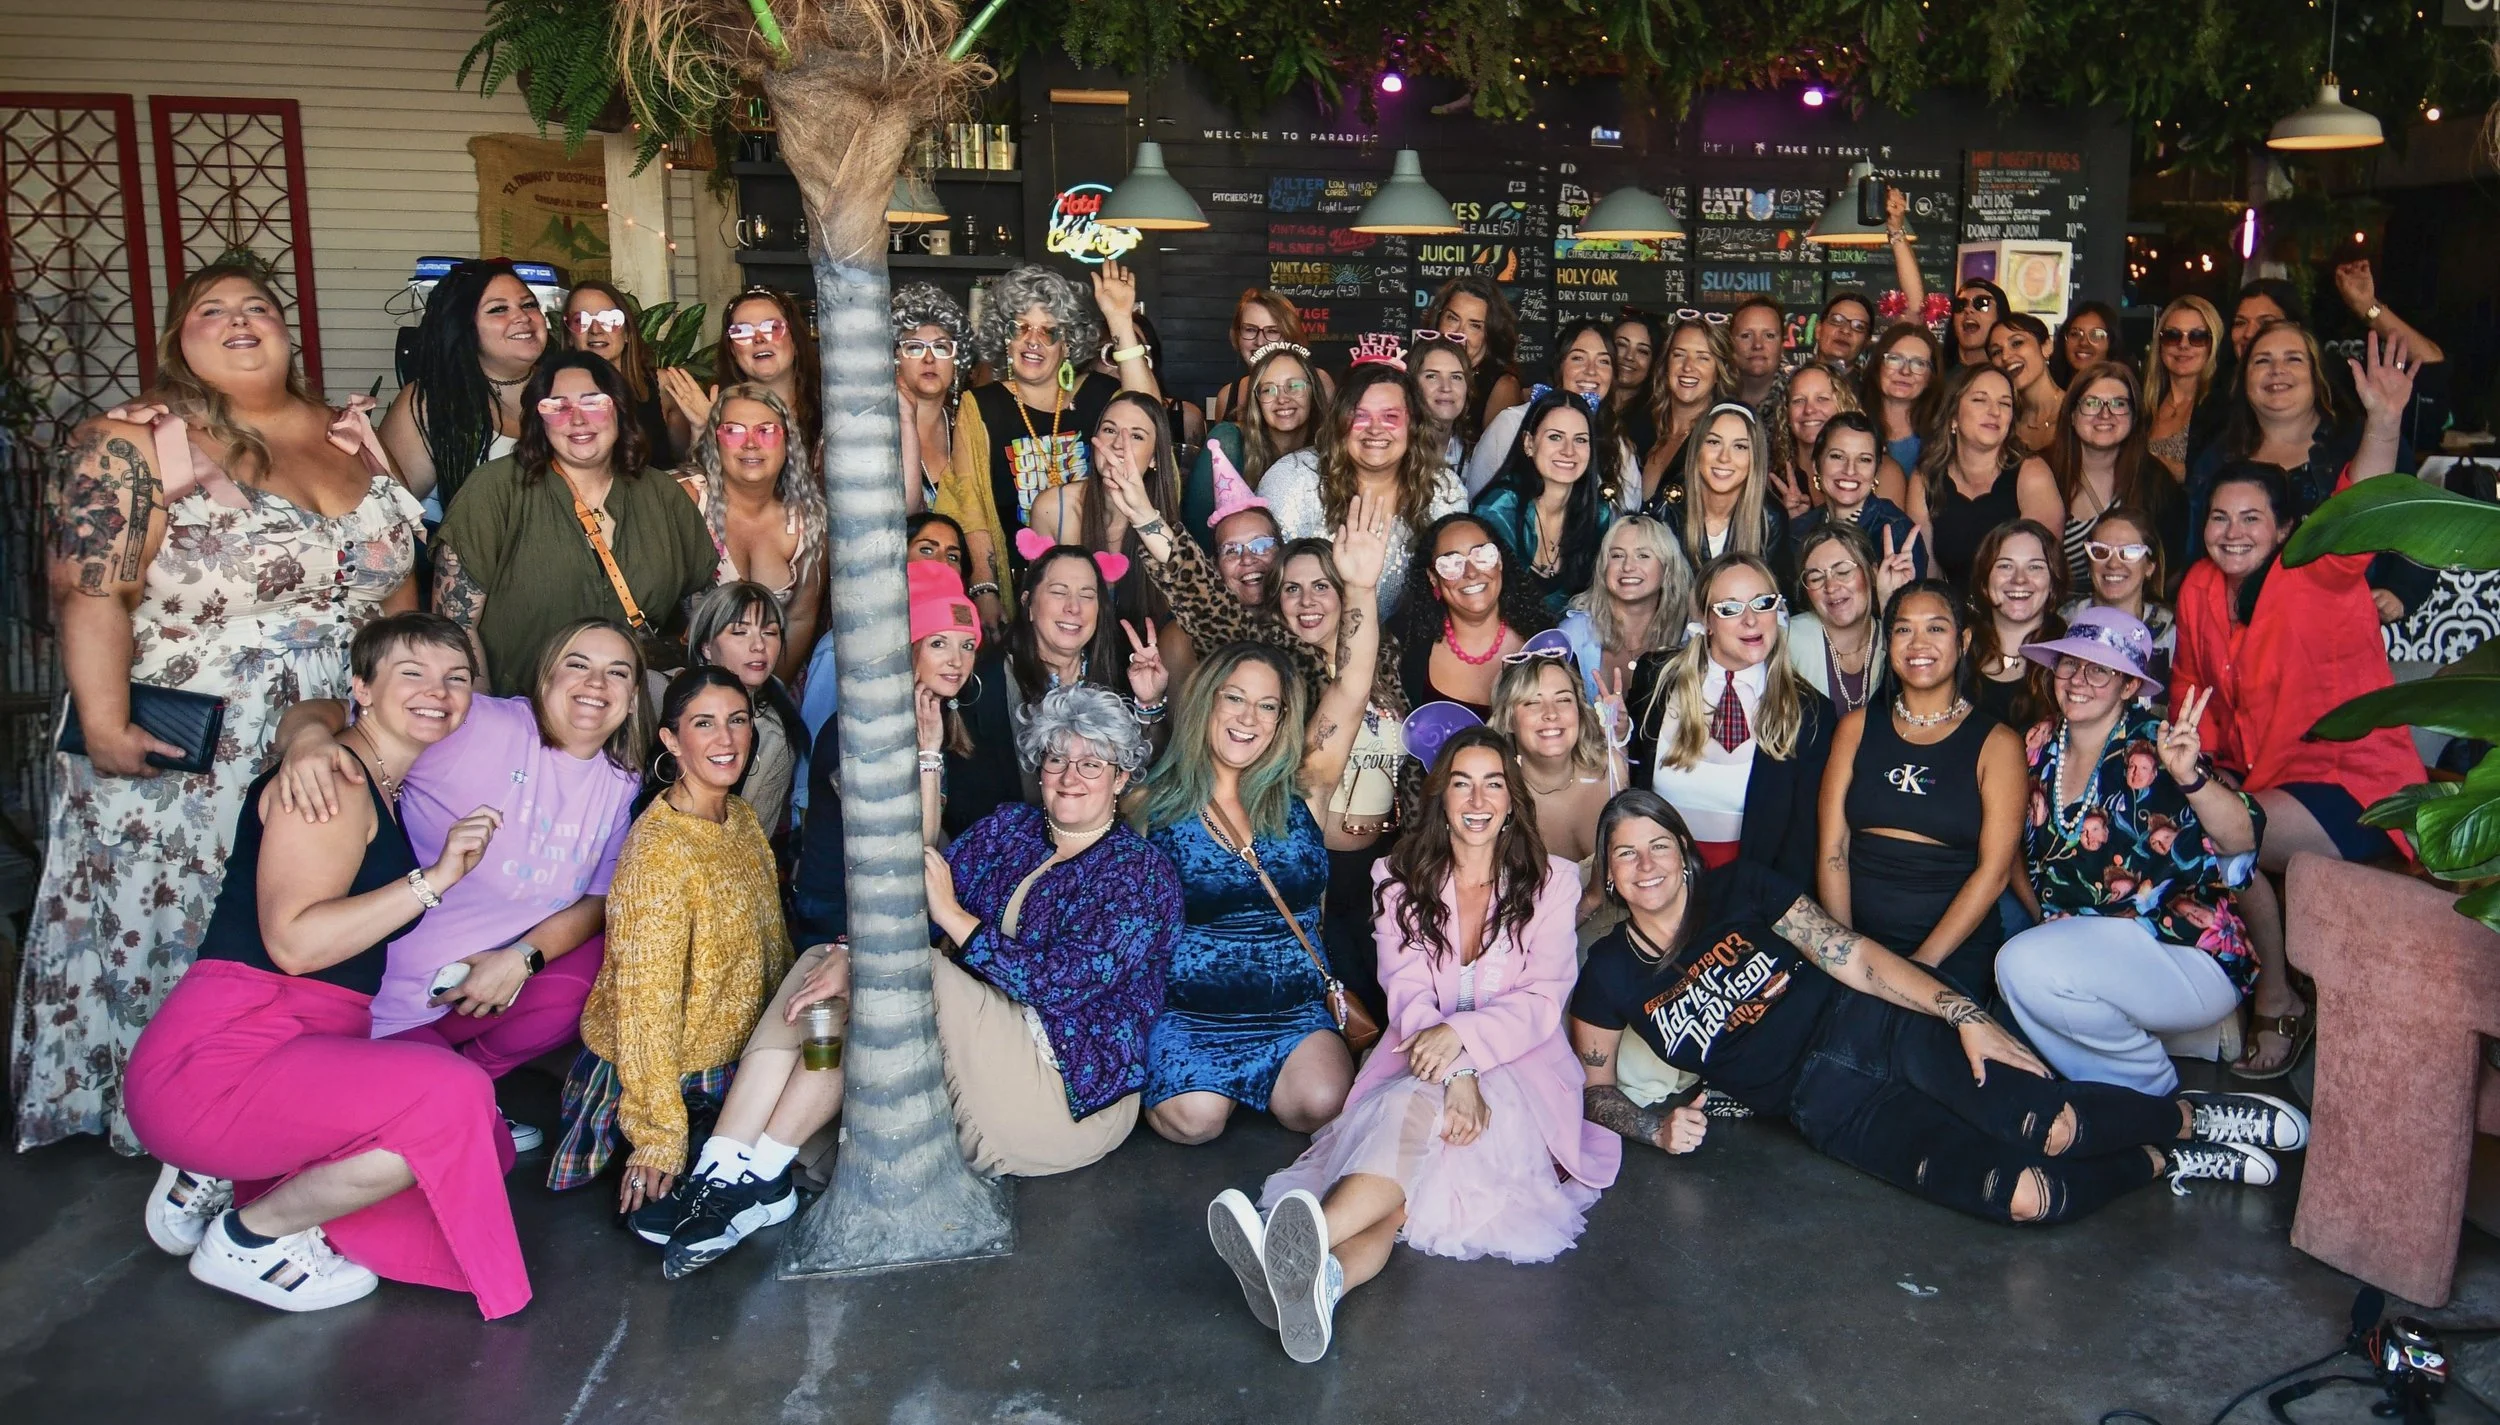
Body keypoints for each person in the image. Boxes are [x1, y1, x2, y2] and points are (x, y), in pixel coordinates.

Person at [16, 264, 423, 1153]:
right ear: (177, 339)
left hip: (340, 720)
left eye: (259, 309)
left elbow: (398, 584)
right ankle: (184, 1123)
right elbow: (90, 593)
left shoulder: (349, 434)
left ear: (287, 333)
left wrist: (410, 695)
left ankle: (293, 1099)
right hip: (198, 732)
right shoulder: (134, 443)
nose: (241, 322)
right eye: (213, 311)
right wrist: (106, 720)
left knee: (320, 915)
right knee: (201, 922)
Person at [1570, 791, 2307, 1228]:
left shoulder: (1743, 891)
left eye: (1659, 844)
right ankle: (2162, 1158)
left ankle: (2191, 1117)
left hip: (1877, 1027)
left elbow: (1852, 954)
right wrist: (1653, 1126)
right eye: (1627, 854)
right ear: (1609, 870)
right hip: (1822, 1107)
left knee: (2048, 1125)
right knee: (2026, 1197)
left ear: (1685, 853)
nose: (1647, 865)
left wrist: (1962, 1012)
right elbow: (1596, 1088)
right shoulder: (1607, 975)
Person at [125, 612, 526, 1317]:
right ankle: (250, 1237)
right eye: (414, 673)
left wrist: (305, 732)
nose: (439, 690)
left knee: (484, 1135)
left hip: (298, 1043)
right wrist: (433, 880)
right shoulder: (335, 781)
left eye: (456, 677)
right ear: (362, 691)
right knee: (451, 1097)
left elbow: (305, 716)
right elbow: (296, 945)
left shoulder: (360, 766)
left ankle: (225, 1164)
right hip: (222, 1055)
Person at [1212, 731, 1619, 1364]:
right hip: (1421, 1058)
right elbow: (1405, 994)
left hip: (1523, 1071)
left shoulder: (1553, 883)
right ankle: (1325, 1283)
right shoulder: (1396, 879)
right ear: (1442, 798)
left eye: (1493, 784)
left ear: (1512, 800)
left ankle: (1282, 1242)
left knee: (1405, 1127)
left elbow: (1544, 1001)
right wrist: (1455, 1068)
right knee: (1397, 1196)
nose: (1478, 799)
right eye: (1462, 782)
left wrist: (1463, 1047)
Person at [264, 618, 645, 1137]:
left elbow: (598, 899)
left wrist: (521, 957)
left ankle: (476, 1085)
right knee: (461, 1145)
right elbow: (338, 711)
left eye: (616, 672)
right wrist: (308, 740)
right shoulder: (480, 723)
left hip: (475, 984)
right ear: (546, 678)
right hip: (382, 993)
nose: (596, 684)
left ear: (634, 696)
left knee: (606, 965)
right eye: (577, 665)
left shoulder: (621, 782)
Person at [2174, 462, 2428, 1080]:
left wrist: (2384, 418)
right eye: (2220, 516)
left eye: (2252, 518)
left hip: (2354, 784)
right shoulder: (2199, 587)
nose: (2233, 532)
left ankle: (2278, 997)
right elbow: (2191, 682)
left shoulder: (2315, 570)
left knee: (2226, 830)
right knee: (2199, 812)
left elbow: (2357, 501)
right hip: (2266, 780)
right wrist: (2208, 766)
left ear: (2287, 529)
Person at [549, 668, 794, 1205]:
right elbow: (645, 1005)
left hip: (749, 1054)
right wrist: (659, 1137)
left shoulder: (742, 818)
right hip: (677, 1080)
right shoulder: (658, 852)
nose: (726, 740)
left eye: (737, 721)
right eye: (703, 724)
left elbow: (771, 947)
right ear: (671, 740)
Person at [1134, 631, 1388, 1144]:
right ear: (1207, 700)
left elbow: (1353, 687)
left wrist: (1362, 584)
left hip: (1292, 1012)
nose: (1249, 718)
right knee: (1194, 1121)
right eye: (1234, 698)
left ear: (1281, 721)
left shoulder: (1305, 788)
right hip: (1193, 1014)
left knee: (1323, 1102)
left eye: (1267, 706)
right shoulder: (1150, 804)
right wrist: (1149, 709)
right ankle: (1212, 1091)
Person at [1999, 610, 2266, 1094]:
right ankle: (2125, 1098)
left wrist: (2190, 777)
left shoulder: (2156, 746)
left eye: (2099, 669)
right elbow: (2012, 847)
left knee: (2022, 965)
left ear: (2127, 687)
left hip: (2184, 952)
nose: (2078, 680)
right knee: (2018, 965)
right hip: (2086, 951)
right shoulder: (2037, 744)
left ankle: (2149, 1090)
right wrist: (2044, 916)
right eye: (2069, 664)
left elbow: (2241, 842)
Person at [921, 685, 1184, 1174]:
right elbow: (922, 885)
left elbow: (1060, 982)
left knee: (912, 969)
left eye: (1092, 765)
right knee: (828, 966)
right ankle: (748, 1159)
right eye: (1056, 760)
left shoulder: (1140, 874)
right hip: (982, 1047)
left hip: (1068, 1093)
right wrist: (849, 956)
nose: (1070, 777)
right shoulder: (1007, 829)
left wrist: (954, 918)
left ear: (1121, 777)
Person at [433, 350, 716, 696]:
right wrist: (487, 722)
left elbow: (708, 614)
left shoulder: (663, 495)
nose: (578, 419)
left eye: (593, 402)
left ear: (619, 409)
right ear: (539, 419)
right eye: (557, 407)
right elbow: (455, 627)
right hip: (524, 723)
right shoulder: (493, 490)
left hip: (638, 721)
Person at [1818, 581, 2027, 999]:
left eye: (1936, 628)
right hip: (1859, 940)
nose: (1918, 643)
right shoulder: (1855, 729)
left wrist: (1919, 967)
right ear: (1888, 642)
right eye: (1902, 629)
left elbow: (1995, 871)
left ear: (1963, 641)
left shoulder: (1998, 744)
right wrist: (1846, 952)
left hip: (1949, 950)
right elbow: (1832, 850)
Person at [793, 560, 1010, 942]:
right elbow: (911, 848)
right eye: (938, 643)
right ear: (907, 649)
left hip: (897, 907)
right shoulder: (861, 726)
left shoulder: (938, 718)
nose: (956, 661)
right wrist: (927, 754)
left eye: (967, 645)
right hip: (838, 915)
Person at [939, 262, 1159, 618]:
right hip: (1019, 591)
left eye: (1049, 332)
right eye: (1021, 327)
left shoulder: (1101, 394)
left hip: (1104, 590)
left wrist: (1120, 321)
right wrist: (984, 587)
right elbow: (970, 506)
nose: (1033, 341)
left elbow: (1151, 418)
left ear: (1067, 345)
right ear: (1004, 336)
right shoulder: (980, 405)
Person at [2187, 326, 2431, 624]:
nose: (2277, 370)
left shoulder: (2365, 440)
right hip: (2238, 630)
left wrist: (2400, 591)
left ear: (2317, 376)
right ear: (2243, 379)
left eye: (2294, 359)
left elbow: (2417, 524)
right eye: (2262, 360)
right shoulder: (2216, 457)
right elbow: (2195, 552)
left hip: (2339, 626)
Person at [1627, 553, 1833, 883]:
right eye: (1730, 608)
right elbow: (1630, 788)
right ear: (1706, 621)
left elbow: (1801, 845)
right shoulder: (1656, 678)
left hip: (1751, 896)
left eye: (1762, 603)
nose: (1750, 620)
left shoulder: (1811, 711)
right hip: (1656, 885)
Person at [1263, 361, 1467, 617]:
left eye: (1390, 416)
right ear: (1340, 422)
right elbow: (1263, 589)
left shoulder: (1444, 492)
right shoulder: (1292, 480)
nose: (1374, 428)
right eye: (1360, 416)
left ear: (1413, 424)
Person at [674, 384, 826, 681]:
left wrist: (764, 697)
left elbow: (799, 619)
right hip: (683, 684)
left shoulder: (808, 522)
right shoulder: (688, 498)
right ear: (715, 442)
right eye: (733, 431)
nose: (751, 443)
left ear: (788, 443)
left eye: (766, 431)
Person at [380, 257, 547, 521]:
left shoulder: (566, 386)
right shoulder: (429, 402)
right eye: (498, 309)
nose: (522, 317)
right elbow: (391, 516)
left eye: (528, 304)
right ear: (464, 326)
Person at [797, 510, 968, 742]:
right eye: (926, 550)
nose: (941, 564)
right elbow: (813, 750)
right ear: (896, 557)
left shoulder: (962, 648)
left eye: (953, 556)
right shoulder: (842, 648)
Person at [1906, 364, 2062, 592]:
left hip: (2019, 608)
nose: (1995, 411)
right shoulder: (1925, 479)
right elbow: (1928, 574)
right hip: (1952, 614)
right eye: (1980, 400)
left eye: (2005, 403)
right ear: (1953, 416)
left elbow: (2038, 572)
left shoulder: (2031, 473)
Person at [667, 582, 806, 836]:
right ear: (706, 647)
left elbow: (754, 843)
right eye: (740, 632)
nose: (758, 646)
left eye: (770, 633)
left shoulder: (776, 737)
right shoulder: (657, 693)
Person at [1470, 389, 1617, 615]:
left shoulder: (1598, 514)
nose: (1568, 451)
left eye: (1580, 440)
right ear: (1529, 443)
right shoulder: (1498, 509)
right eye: (1555, 437)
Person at [1464, 318, 1638, 505]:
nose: (1591, 371)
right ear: (1559, 366)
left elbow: (1628, 513)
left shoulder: (1616, 441)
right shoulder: (1512, 424)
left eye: (1603, 361)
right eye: (1578, 358)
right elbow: (1477, 501)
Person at [2044, 362, 2183, 587]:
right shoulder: (2042, 472)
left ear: (2134, 416)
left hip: (2131, 615)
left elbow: (2168, 570)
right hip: (2055, 615)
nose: (2104, 414)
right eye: (2091, 403)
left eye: (2118, 404)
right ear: (2071, 414)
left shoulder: (2157, 482)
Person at [1397, 513, 1548, 715]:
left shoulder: (1547, 643)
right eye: (1451, 563)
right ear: (1433, 578)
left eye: (1483, 556)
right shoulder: (1406, 653)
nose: (1471, 572)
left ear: (1500, 562)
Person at [1490, 644, 1624, 871]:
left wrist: (1618, 732)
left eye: (1563, 700)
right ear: (1508, 720)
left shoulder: (1611, 768)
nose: (1551, 713)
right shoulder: (1498, 799)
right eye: (1532, 702)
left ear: (1579, 711)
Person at [660, 287, 820, 459]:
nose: (759, 338)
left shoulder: (828, 404)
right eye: (742, 331)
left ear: (795, 340)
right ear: (733, 351)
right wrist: (703, 431)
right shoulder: (717, 412)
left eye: (771, 328)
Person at [1186, 343, 1319, 545]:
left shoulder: (1328, 449)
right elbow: (1197, 537)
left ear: (1313, 391)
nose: (1282, 398)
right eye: (1268, 390)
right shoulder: (1228, 443)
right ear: (1256, 399)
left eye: (1294, 386)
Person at [1555, 514, 1692, 701]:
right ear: (1603, 567)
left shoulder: (1688, 636)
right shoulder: (1572, 635)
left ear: (1667, 568)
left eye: (1643, 555)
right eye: (1617, 555)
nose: (1628, 566)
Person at [1787, 522, 1912, 720]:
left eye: (1843, 572)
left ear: (1872, 573)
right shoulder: (1787, 639)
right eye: (1816, 578)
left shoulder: (1896, 637)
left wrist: (1892, 604)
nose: (1831, 586)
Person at [1650, 402, 1789, 576]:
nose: (1724, 457)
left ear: (1755, 458)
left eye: (1740, 447)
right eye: (1714, 442)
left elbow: (1778, 596)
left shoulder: (1771, 519)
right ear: (1697, 449)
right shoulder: (1666, 507)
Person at [560, 278, 686, 465]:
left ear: (627, 332)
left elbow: (687, 460)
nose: (596, 329)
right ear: (570, 335)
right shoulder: (555, 396)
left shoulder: (664, 385)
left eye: (610, 320)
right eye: (581, 320)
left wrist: (702, 426)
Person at [1788, 412, 1923, 583]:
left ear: (1876, 470)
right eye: (1837, 456)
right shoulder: (1799, 531)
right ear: (1816, 465)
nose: (1850, 470)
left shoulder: (1897, 533)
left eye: (1864, 460)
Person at [1969, 519, 2067, 731]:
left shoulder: (2071, 663)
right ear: (1984, 581)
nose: (2020, 579)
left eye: (2034, 567)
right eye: (2005, 566)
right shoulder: (1956, 651)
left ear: (2053, 582)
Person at [2063, 507, 2175, 692]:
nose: (2113, 564)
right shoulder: (2063, 624)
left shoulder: (2172, 635)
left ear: (2150, 566)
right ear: (2089, 564)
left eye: (2130, 552)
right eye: (2100, 552)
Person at [1639, 315, 1736, 509]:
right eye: (1679, 354)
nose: (1688, 367)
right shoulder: (1641, 430)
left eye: (1703, 357)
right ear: (1666, 364)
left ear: (1719, 371)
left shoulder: (1725, 440)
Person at [1418, 275, 1524, 451]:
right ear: (1438, 319)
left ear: (1489, 334)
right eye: (1453, 319)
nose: (1459, 333)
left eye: (1474, 326)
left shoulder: (1502, 386)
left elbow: (1494, 464)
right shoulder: (1416, 369)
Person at [892, 281, 969, 516]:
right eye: (914, 347)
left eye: (941, 348)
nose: (929, 359)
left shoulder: (966, 427)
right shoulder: (873, 431)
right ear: (894, 359)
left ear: (957, 361)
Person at [1206, 290, 1333, 425]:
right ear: (1237, 335)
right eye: (1250, 329)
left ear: (1290, 336)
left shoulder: (1320, 382)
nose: (1260, 342)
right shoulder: (1227, 396)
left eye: (1272, 331)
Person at [1766, 359, 1862, 521]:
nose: (1809, 409)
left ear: (1843, 406)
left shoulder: (1875, 471)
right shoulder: (1771, 480)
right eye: (1798, 401)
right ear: (1786, 414)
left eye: (1822, 399)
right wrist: (1788, 522)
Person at [2144, 295, 2225, 482]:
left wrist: (2166, 468)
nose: (2183, 345)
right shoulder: (2144, 402)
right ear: (2160, 344)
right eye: (2173, 336)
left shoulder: (2223, 409)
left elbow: (2222, 479)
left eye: (2197, 337)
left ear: (2212, 345)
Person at [1860, 321, 1942, 498]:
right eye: (1895, 359)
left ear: (1931, 377)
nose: (1905, 371)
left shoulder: (1942, 436)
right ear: (1877, 365)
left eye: (1919, 363)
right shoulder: (1853, 424)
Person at [1988, 312, 2064, 456]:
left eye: (2017, 343)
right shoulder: (2003, 422)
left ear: (2047, 347)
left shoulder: (2077, 411)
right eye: (1997, 352)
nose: (2005, 356)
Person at [1608, 311, 1664, 459]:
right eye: (1621, 345)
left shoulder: (1657, 423)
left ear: (1654, 362)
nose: (1629, 357)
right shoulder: (1584, 405)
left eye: (1642, 351)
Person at [1411, 339, 1475, 468]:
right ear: (1412, 383)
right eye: (1432, 376)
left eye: (1456, 377)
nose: (1446, 387)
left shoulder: (1474, 454)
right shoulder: (1397, 451)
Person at [1727, 296, 1786, 415]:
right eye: (1746, 336)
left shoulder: (1797, 398)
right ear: (1730, 342)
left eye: (1769, 336)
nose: (1757, 345)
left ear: (1782, 345)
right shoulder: (1707, 396)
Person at [2050, 301, 2119, 388]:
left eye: (2096, 335)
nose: (2083, 343)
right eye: (2075, 334)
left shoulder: (2118, 394)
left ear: (2111, 342)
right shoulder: (2048, 391)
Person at [1946, 278, 2009, 369]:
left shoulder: (2013, 375)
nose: (1968, 309)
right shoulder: (1934, 372)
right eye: (1960, 305)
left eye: (1981, 303)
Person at [1812, 291, 1877, 368]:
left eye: (1858, 326)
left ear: (1866, 342)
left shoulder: (1873, 380)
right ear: (1818, 330)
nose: (1846, 330)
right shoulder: (1795, 378)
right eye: (1837, 320)